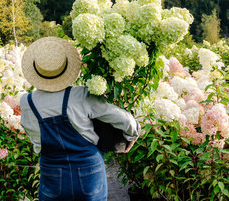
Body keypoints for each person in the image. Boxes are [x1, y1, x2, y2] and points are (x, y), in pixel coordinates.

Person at [20, 37, 140, 201]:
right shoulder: (80, 95)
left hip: (53, 174)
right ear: (66, 67)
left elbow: (37, 141)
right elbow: (124, 119)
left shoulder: (27, 101)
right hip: (88, 171)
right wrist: (132, 135)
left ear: (36, 70)